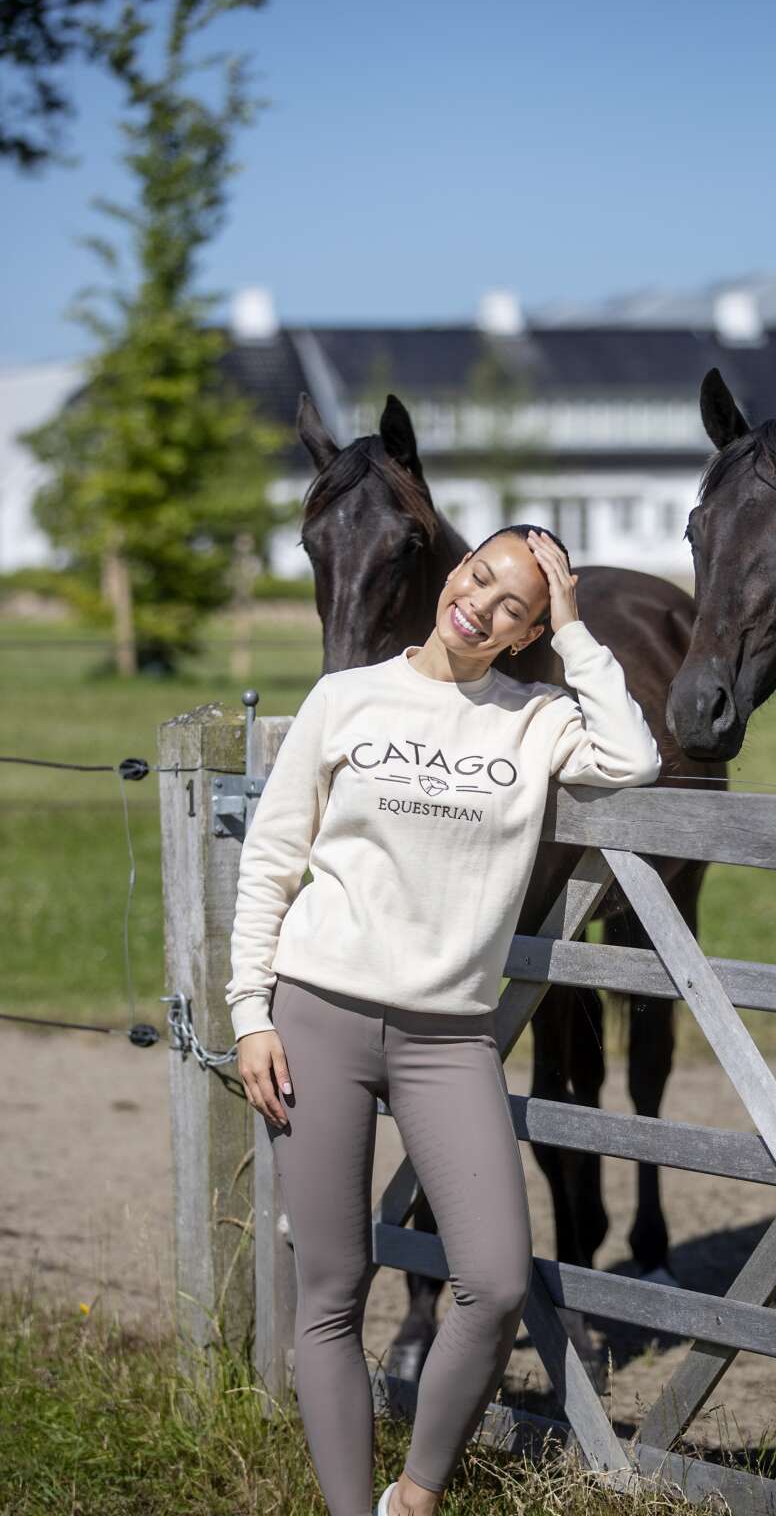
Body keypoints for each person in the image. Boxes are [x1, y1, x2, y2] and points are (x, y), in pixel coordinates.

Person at [226, 524, 661, 1516]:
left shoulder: (538, 716)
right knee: (332, 1292)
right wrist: (251, 1012)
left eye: (515, 606)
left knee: (496, 1281)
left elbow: (632, 755)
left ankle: (412, 1497)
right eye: (479, 578)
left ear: (526, 631)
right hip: (317, 1015)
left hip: (448, 1037)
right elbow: (269, 862)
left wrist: (574, 626)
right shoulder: (345, 698)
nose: (481, 606)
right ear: (453, 572)